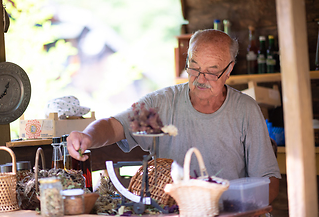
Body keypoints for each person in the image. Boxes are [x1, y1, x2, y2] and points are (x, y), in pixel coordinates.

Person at [67, 29, 281, 203]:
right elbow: (115, 126)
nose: (200, 78)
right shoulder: (162, 106)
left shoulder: (245, 110)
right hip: (172, 209)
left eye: (212, 71)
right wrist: (88, 136)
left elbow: (267, 180)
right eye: (194, 67)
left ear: (229, 70)